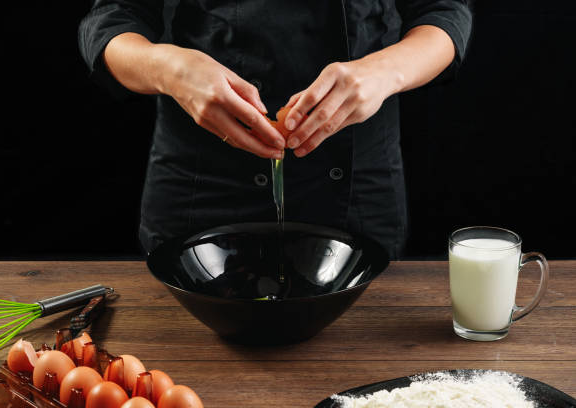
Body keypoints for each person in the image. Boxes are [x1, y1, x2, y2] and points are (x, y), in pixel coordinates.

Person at [78, 0, 472, 260]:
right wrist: (168, 69)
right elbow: (110, 20)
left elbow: (444, 12)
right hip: (204, 189)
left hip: (355, 193)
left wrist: (386, 70)